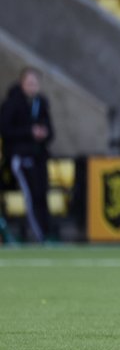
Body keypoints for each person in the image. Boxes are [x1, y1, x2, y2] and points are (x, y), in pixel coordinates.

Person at [0, 67, 54, 243]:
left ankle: (46, 232)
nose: (32, 86)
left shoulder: (41, 103)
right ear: (22, 83)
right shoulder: (11, 104)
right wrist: (29, 132)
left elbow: (51, 131)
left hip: (39, 157)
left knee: (42, 194)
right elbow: (5, 130)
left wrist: (44, 133)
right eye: (29, 83)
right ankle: (40, 235)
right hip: (20, 158)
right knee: (31, 195)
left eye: (35, 83)